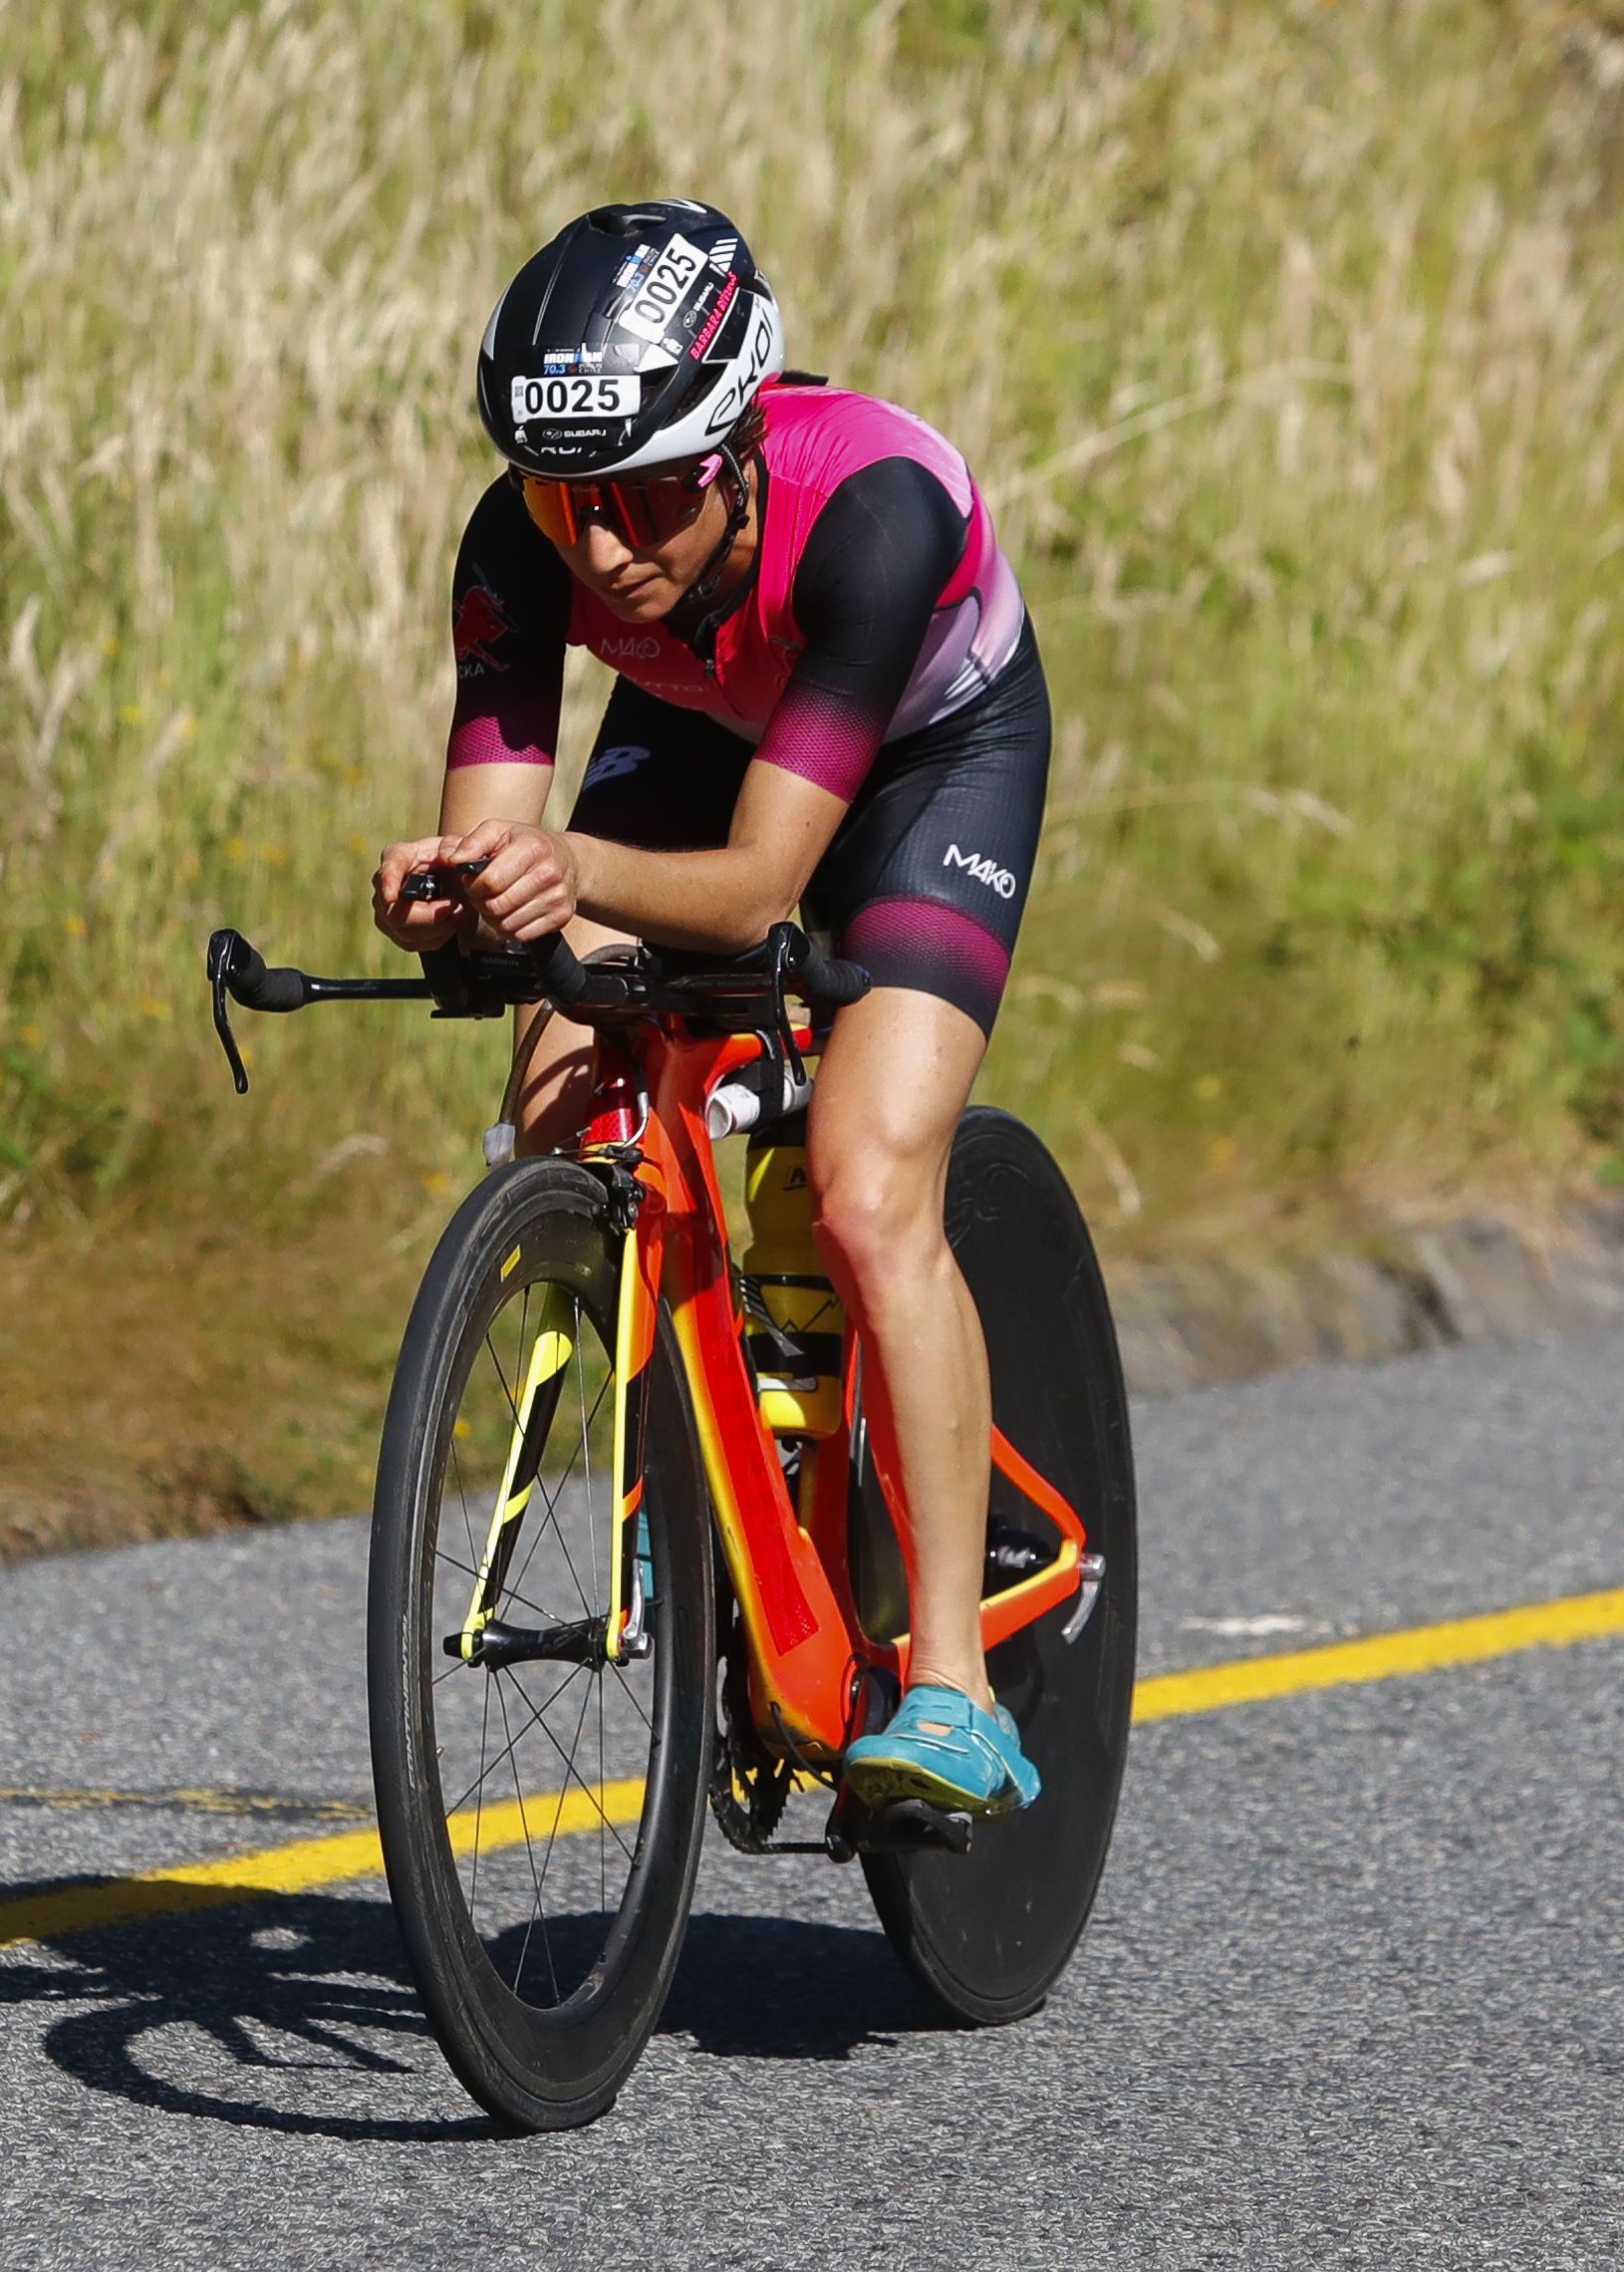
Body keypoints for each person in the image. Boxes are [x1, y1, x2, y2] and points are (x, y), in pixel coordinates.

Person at [371, 200, 1055, 1820]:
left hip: (921, 763)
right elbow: (503, 843)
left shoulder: (871, 511)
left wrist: (564, 868)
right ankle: (696, 1486)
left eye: (653, 497)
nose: (606, 549)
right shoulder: (515, 545)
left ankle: (952, 1685)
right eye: (567, 501)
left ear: (737, 444)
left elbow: (755, 890)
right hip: (696, 725)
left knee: (870, 1186)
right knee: (553, 1095)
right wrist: (446, 898)